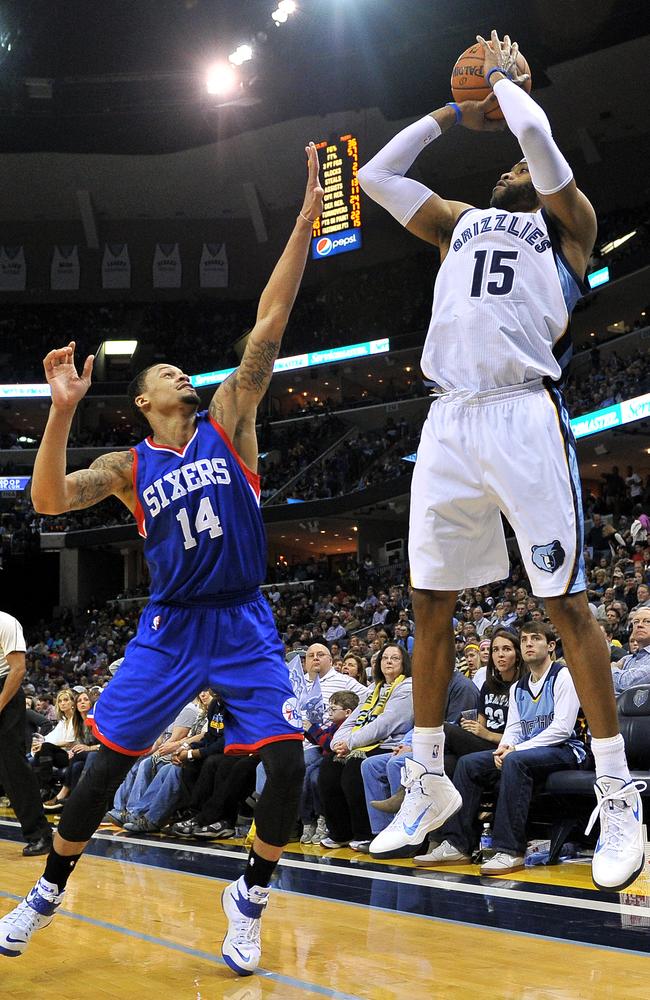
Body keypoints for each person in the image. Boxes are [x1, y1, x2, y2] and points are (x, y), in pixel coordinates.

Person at [0, 142, 324, 974]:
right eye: (169, 372)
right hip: (171, 627)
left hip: (246, 621)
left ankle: (248, 897)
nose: (186, 375)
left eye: (185, 370)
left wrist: (303, 218)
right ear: (144, 402)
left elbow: (270, 320)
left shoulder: (231, 419)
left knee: (288, 763)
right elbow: (44, 501)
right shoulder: (126, 468)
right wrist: (61, 410)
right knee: (104, 768)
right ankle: (47, 890)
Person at [358, 30, 644, 891]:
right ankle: (430, 778)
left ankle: (618, 793)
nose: (512, 168)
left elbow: (544, 147)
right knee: (429, 603)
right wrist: (457, 107)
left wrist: (507, 86)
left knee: (566, 604)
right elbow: (375, 177)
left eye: (520, 157)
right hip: (448, 420)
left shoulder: (571, 224)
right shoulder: (459, 223)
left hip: (524, 414)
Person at [413, 622, 593, 874]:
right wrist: (505, 747)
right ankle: (457, 844)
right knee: (468, 764)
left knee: (514, 761)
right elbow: (514, 727)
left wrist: (516, 751)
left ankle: (509, 850)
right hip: (528, 751)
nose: (528, 643)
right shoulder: (519, 686)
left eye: (536, 638)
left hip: (568, 750)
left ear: (551, 646)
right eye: (525, 639)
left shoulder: (563, 676)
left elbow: (562, 728)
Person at [0, 610, 52, 857]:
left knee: (13, 768)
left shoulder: (5, 621)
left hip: (5, 694)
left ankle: (40, 834)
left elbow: (18, 669)